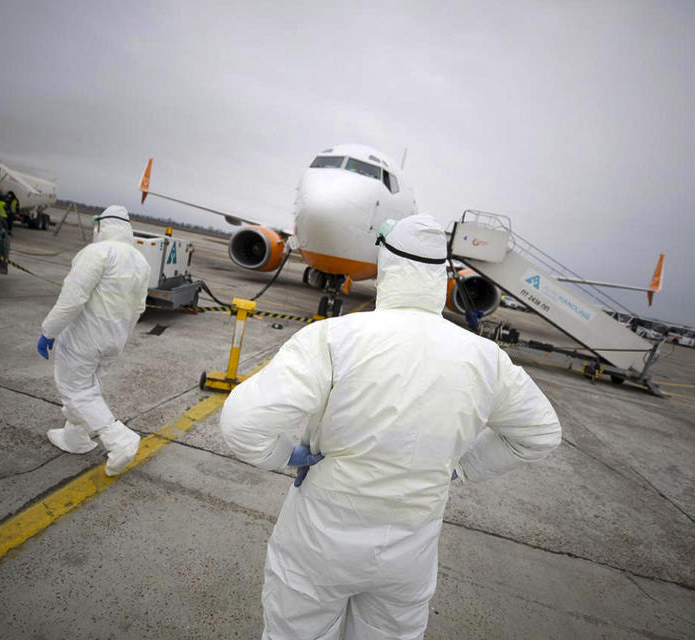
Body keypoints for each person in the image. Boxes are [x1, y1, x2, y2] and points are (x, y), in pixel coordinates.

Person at [220, 215, 562, 639]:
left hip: (320, 542)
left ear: (388, 265)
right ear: (441, 274)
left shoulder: (333, 338)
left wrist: (283, 454)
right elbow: (541, 433)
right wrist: (462, 467)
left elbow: (242, 422)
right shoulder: (486, 358)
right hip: (409, 557)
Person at [36, 205, 151, 476]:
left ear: (101, 226)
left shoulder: (96, 253)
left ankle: (119, 440)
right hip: (114, 340)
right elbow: (139, 308)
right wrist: (119, 335)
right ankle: (74, 436)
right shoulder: (140, 261)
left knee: (75, 389)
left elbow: (72, 299)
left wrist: (49, 331)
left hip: (85, 339)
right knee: (88, 388)